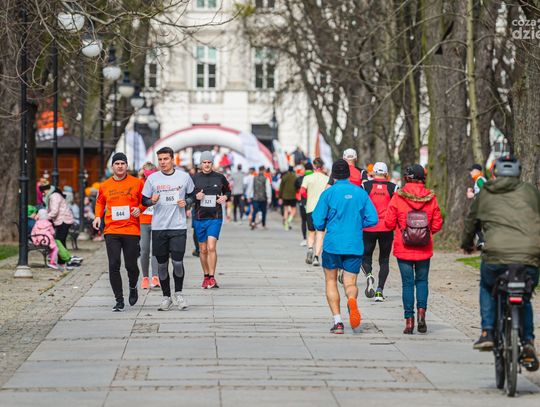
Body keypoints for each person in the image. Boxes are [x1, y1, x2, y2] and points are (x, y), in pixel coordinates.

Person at [461, 156, 539, 371]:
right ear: (518, 173)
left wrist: (467, 243)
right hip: (528, 256)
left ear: (495, 172)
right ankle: (528, 341)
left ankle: (487, 331)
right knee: (525, 295)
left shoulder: (486, 192)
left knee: (487, 285)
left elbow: (471, 221)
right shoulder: (531, 192)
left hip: (495, 254)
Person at [312, 159, 378, 334]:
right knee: (350, 283)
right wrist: (358, 223)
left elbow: (317, 221)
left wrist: (326, 224)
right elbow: (373, 219)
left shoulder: (328, 193)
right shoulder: (360, 193)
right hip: (354, 244)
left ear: (333, 175)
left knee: (331, 281)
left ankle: (338, 322)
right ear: (349, 174)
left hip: (333, 244)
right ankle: (352, 300)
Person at [384, 164, 443, 334]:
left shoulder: (398, 197)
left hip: (404, 246)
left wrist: (402, 229)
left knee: (407, 284)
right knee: (422, 281)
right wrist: (426, 233)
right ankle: (422, 314)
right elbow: (437, 223)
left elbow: (389, 222)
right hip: (424, 247)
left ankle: (409, 321)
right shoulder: (431, 198)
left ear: (407, 178)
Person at [142, 147, 195, 311]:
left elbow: (193, 195)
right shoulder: (152, 179)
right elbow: (144, 200)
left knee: (177, 263)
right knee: (162, 265)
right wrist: (151, 201)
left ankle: (179, 294)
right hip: (159, 227)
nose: (163, 162)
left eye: (166, 159)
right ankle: (166, 297)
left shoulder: (184, 177)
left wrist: (187, 202)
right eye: (160, 159)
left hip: (178, 226)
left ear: (172, 159)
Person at [93, 152, 144, 312]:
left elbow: (145, 201)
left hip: (131, 229)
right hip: (112, 230)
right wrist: (97, 216)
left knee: (131, 265)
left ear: (127, 166)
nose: (120, 166)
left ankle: (133, 286)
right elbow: (100, 202)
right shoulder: (105, 185)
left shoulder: (137, 183)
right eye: (117, 164)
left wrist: (140, 209)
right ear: (112, 166)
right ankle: (119, 300)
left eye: (122, 163)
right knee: (114, 264)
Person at [192, 151, 231, 289]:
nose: (207, 165)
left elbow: (228, 191)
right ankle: (206, 276)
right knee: (202, 250)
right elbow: (188, 195)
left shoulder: (220, 177)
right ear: (201, 163)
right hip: (199, 217)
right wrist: (195, 196)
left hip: (215, 217)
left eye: (209, 162)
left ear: (212, 163)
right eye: (204, 162)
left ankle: (212, 277)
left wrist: (225, 197)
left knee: (211, 247)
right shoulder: (194, 178)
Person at [362, 162, 398, 301]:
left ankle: (369, 275)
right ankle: (379, 291)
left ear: (373, 172)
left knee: (365, 256)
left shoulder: (365, 186)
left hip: (369, 227)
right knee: (384, 259)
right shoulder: (393, 187)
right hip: (386, 228)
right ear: (386, 173)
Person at [40, 184, 81, 268]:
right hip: (62, 220)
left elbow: (54, 211)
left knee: (59, 241)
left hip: (63, 221)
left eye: (43, 192)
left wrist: (43, 218)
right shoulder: (54, 195)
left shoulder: (54, 196)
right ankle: (63, 261)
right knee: (61, 241)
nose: (43, 194)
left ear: (47, 190)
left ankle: (65, 261)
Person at [301, 158, 329, 267]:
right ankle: (316, 257)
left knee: (311, 231)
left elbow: (302, 191)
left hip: (310, 207)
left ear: (314, 166)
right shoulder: (327, 179)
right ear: (322, 167)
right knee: (320, 233)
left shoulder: (307, 178)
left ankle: (310, 249)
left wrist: (308, 197)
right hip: (322, 209)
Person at [139, 163, 160, 290]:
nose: (149, 173)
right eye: (147, 171)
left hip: (157, 220)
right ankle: (145, 277)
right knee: (144, 249)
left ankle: (155, 277)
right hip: (143, 220)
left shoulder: (159, 182)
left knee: (156, 250)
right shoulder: (139, 183)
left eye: (151, 171)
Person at [246, 165, 272, 229]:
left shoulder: (254, 178)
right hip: (263, 198)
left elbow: (250, 188)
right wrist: (269, 198)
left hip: (255, 197)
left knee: (255, 211)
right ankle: (263, 224)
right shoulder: (266, 179)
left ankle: (253, 222)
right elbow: (268, 189)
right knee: (264, 212)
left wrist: (248, 196)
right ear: (263, 170)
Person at [296, 163, 312, 247]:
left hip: (303, 202)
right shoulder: (315, 178)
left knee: (304, 220)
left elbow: (298, 189)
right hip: (314, 202)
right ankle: (313, 239)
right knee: (313, 221)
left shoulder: (300, 179)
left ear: (305, 169)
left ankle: (305, 239)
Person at [279, 166, 297, 230]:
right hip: (293, 196)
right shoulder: (295, 177)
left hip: (285, 196)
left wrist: (280, 196)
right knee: (293, 210)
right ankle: (289, 220)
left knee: (286, 210)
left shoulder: (284, 176)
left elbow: (281, 187)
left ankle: (286, 224)